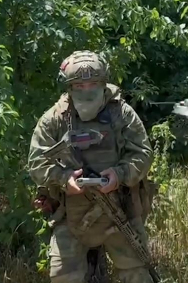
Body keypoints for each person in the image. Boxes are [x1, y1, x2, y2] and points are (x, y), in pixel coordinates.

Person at [28, 51, 155, 283]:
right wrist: (64, 178)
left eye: (93, 83)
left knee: (137, 274)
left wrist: (118, 175)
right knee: (63, 277)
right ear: (69, 87)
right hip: (70, 213)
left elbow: (143, 154)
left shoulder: (122, 113)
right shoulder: (54, 119)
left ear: (103, 82)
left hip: (120, 209)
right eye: (79, 84)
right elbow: (36, 163)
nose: (87, 89)